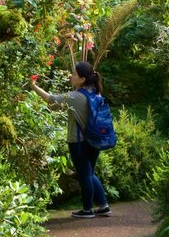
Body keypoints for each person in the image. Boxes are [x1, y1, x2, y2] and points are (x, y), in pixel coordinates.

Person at [29, 61, 111, 219]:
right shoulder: (97, 94)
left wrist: (33, 86)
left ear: (82, 79)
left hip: (78, 142)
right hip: (95, 140)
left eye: (74, 74)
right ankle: (103, 206)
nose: (71, 76)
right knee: (89, 173)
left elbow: (51, 99)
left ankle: (87, 210)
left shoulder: (76, 97)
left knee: (84, 174)